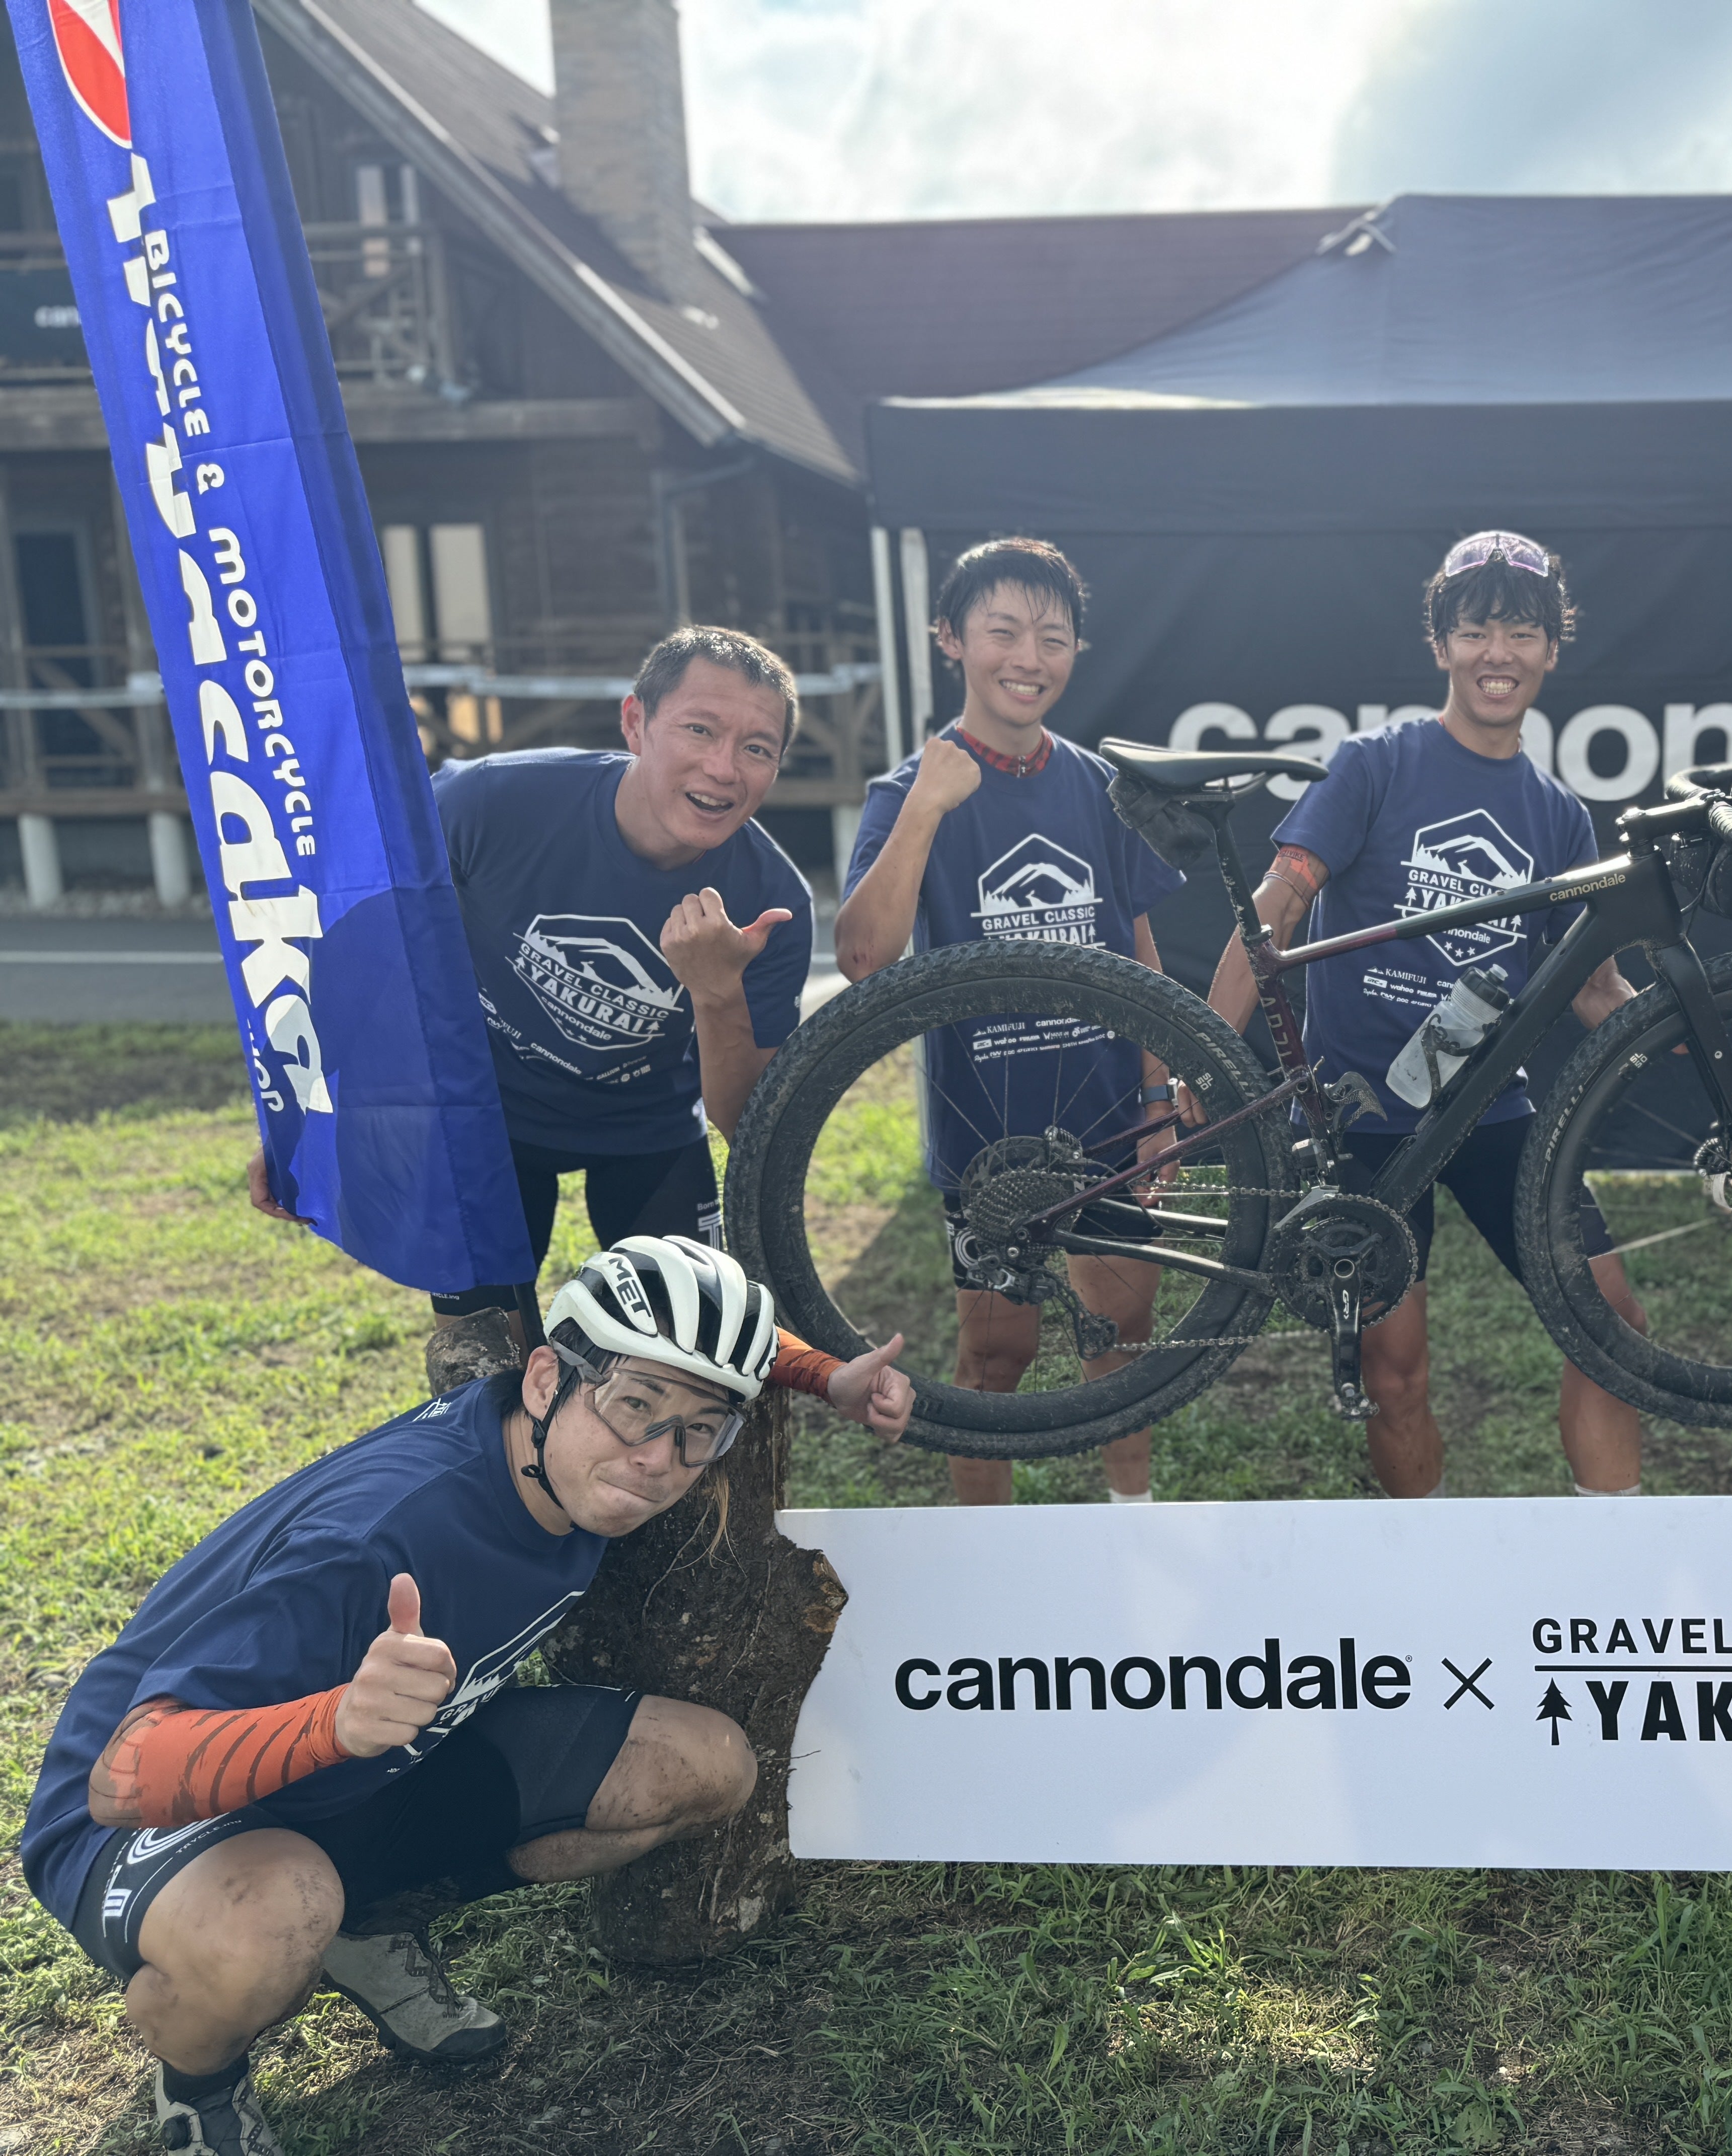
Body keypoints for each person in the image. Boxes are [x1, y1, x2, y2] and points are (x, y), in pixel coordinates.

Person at [15, 1238, 914, 2156]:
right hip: (152, 1817)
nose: (658, 1457)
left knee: (704, 1766)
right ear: (545, 1380)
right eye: (635, 1406)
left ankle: (364, 1924)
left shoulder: (557, 1450)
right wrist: (334, 1722)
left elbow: (713, 1356)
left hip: (374, 1763)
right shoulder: (376, 1536)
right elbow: (123, 1777)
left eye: (701, 1429)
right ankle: (198, 2086)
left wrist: (824, 1375)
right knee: (271, 1921)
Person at [247, 625, 818, 1382]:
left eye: (757, 748)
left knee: (689, 1370)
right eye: (699, 730)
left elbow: (746, 1122)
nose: (723, 768)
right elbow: (357, 944)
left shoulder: (772, 901)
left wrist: (717, 994)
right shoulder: (490, 802)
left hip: (648, 1131)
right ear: (636, 722)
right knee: (484, 1371)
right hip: (488, 1117)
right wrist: (299, 1117)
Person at [1203, 530, 1648, 1500]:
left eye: (1521, 632)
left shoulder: (1559, 815)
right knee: (1394, 1374)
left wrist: (1685, 1032)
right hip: (1362, 1118)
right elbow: (1274, 912)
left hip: (1490, 1107)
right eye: (1477, 630)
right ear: (1442, 643)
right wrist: (1201, 1056)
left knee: (1612, 1326)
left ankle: (1609, 1543)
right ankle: (1423, 1561)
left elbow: (1594, 988)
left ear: (1552, 649)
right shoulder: (1374, 764)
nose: (1499, 653)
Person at [834, 538, 1183, 1505]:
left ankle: (1132, 1522)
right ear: (951, 638)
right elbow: (863, 958)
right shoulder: (908, 792)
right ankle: (987, 1551)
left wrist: (1160, 1094)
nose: (1029, 658)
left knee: (1122, 1338)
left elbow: (1139, 948)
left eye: (1053, 638)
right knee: (996, 1359)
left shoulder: (1100, 786)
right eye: (1003, 631)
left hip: (1109, 1118)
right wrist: (927, 808)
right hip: (985, 1135)